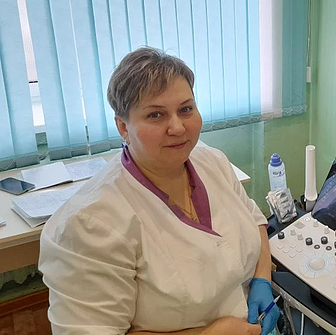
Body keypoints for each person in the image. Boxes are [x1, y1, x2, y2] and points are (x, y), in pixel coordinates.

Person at [39, 47, 279, 335]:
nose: (177, 127)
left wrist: (262, 279)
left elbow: (255, 221)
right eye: (155, 115)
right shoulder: (88, 225)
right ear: (123, 127)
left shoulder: (211, 161)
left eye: (186, 109)